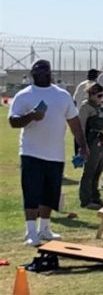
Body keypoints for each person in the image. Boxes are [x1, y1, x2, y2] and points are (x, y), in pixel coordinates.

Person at [8, 60, 87, 246]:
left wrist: (83, 145)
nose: (42, 73)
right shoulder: (24, 95)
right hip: (31, 152)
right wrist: (31, 116)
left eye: (45, 70)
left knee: (50, 192)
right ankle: (30, 231)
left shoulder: (62, 95)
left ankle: (45, 228)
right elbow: (13, 121)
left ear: (51, 72)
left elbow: (74, 121)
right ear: (32, 73)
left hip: (55, 153)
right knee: (31, 191)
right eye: (38, 70)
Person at [78, 84, 103, 209]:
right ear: (91, 94)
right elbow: (81, 127)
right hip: (92, 141)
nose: (101, 98)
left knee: (98, 171)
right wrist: (82, 146)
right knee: (89, 172)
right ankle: (86, 200)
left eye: (102, 95)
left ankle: (95, 197)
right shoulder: (86, 107)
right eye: (99, 95)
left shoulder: (101, 107)